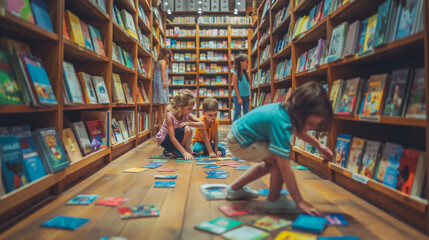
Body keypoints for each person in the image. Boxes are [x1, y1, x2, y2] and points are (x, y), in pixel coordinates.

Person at [225, 81, 334, 216]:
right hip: (240, 142)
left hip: (241, 136)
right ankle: (274, 200)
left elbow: (299, 131)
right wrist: (299, 201)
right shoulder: (282, 122)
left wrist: (319, 146)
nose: (312, 128)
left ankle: (235, 189)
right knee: (279, 159)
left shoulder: (288, 111)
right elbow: (285, 168)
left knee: (274, 160)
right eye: (310, 123)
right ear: (300, 112)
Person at [156, 90, 204, 160]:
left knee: (188, 128)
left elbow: (202, 124)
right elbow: (172, 137)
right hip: (165, 140)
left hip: (175, 137)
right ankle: (179, 150)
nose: (191, 111)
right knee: (187, 129)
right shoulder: (170, 116)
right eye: (189, 108)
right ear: (180, 106)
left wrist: (188, 123)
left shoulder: (187, 114)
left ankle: (175, 150)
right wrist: (184, 153)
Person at [153, 47, 172, 127]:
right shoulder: (163, 61)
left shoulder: (157, 61)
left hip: (157, 83)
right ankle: (164, 125)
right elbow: (163, 72)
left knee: (160, 105)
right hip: (162, 83)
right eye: (168, 54)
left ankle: (160, 124)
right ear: (165, 54)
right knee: (164, 104)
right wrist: (164, 82)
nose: (169, 55)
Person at [232, 54, 251, 121]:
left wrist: (249, 95)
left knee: (246, 112)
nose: (247, 64)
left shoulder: (246, 74)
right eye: (247, 62)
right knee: (237, 111)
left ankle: (244, 127)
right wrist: (239, 98)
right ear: (241, 62)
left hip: (246, 96)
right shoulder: (235, 74)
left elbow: (247, 85)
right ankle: (234, 126)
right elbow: (235, 86)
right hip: (238, 96)